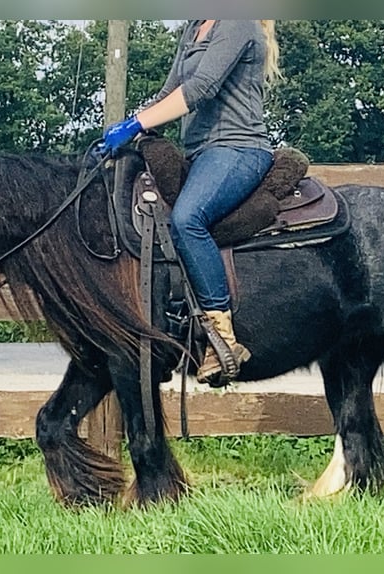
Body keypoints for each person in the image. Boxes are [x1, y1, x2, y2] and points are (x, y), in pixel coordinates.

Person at [100, 20, 281, 385]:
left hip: (237, 148)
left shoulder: (238, 22)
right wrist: (128, 127)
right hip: (201, 154)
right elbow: (171, 90)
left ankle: (222, 339)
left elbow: (201, 88)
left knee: (187, 218)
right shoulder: (195, 26)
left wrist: (136, 125)